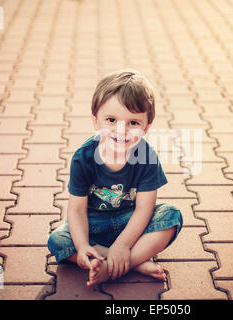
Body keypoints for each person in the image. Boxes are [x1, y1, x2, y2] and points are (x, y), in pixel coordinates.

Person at [47, 69, 183, 286]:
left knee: (171, 216)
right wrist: (82, 246)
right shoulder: (83, 158)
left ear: (147, 127)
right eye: (111, 119)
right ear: (95, 120)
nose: (122, 130)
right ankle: (133, 262)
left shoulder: (146, 156)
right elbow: (77, 210)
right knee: (58, 241)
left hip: (131, 222)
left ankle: (111, 265)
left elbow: (144, 209)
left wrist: (122, 245)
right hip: (94, 224)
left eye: (134, 123)